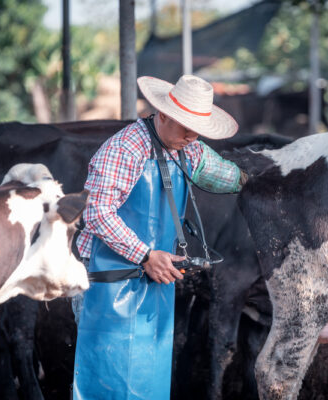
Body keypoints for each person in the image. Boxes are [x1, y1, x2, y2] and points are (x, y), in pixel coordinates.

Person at [72, 74, 246, 399]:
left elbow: (220, 173)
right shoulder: (125, 148)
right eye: (186, 127)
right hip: (109, 284)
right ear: (163, 114)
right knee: (108, 381)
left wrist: (255, 180)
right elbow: (96, 212)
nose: (193, 136)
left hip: (154, 282)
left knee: (148, 379)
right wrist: (145, 254)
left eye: (198, 130)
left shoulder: (187, 148)